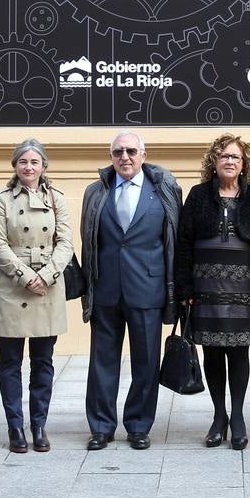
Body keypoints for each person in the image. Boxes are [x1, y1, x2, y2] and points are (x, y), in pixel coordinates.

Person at [80, 131, 182, 451]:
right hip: (106, 289)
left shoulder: (164, 190)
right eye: (118, 152)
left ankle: (138, 425)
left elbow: (173, 241)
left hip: (147, 289)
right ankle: (101, 426)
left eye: (131, 151)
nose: (124, 157)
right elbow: (88, 242)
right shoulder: (95, 192)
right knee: (101, 362)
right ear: (111, 156)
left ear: (143, 154)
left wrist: (174, 290)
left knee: (146, 361)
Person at [175, 135, 250, 451]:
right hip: (206, 288)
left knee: (239, 351)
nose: (230, 161)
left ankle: (238, 417)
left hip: (244, 288)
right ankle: (219, 417)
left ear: (244, 165)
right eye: (224, 156)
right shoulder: (198, 195)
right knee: (212, 352)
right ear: (213, 162)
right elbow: (184, 243)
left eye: (236, 158)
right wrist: (185, 287)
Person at [0, 138, 75, 454]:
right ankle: (15, 427)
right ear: (15, 166)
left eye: (34, 162)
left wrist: (47, 275)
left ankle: (38, 425)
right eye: (23, 161)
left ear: (43, 166)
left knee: (43, 361)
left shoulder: (56, 198)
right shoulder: (2, 200)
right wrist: (26, 277)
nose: (28, 167)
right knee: (10, 362)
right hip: (13, 287)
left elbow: (66, 242)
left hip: (48, 288)